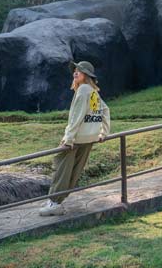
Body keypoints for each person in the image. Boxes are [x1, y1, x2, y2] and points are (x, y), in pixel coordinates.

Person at [39, 60, 111, 217]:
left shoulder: (84, 90)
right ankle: (57, 201)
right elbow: (106, 110)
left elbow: (76, 117)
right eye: (75, 70)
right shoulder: (93, 91)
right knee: (74, 171)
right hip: (89, 138)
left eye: (80, 70)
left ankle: (54, 203)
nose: (75, 72)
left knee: (62, 170)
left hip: (76, 139)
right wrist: (103, 133)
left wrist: (68, 138)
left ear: (87, 75)